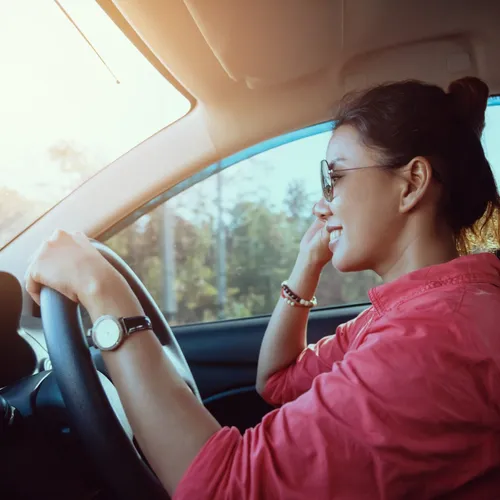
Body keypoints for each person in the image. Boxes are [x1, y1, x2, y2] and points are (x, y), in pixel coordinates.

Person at [26, 77, 500, 499]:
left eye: (334, 177)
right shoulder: (408, 314)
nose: (322, 202)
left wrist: (101, 289)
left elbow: (224, 488)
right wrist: (307, 262)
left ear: (411, 183)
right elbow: (276, 383)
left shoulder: (433, 340)